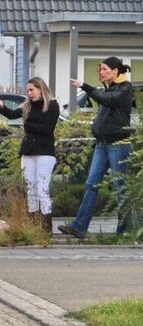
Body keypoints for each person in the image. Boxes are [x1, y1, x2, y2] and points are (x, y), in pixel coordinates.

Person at [58, 57, 133, 238]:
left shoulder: (124, 89)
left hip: (119, 145)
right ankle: (79, 227)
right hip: (102, 144)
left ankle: (125, 232)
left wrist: (86, 86)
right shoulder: (108, 89)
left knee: (120, 187)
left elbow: (108, 100)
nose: (101, 72)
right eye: (100, 69)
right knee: (91, 184)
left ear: (115, 71)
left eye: (104, 69)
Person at [0, 77, 60, 233]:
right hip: (29, 151)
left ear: (41, 89)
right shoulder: (28, 106)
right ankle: (34, 224)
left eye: (32, 90)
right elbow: (12, 114)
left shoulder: (52, 105)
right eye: (27, 90)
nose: (29, 93)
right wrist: (2, 106)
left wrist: (28, 125)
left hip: (45, 152)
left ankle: (46, 227)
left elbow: (47, 128)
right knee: (30, 189)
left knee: (42, 188)